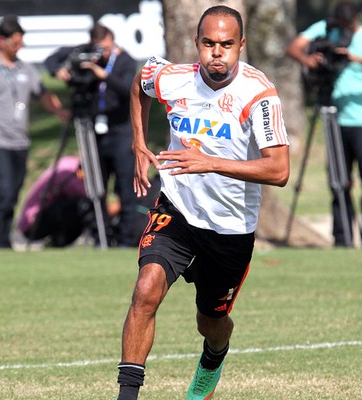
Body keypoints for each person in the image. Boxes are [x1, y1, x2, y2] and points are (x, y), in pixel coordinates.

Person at [114, 6, 290, 400]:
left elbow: (279, 170)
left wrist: (208, 162)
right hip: (176, 208)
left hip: (230, 229)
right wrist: (138, 144)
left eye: (226, 45)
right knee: (146, 289)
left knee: (211, 323)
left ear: (241, 45)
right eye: (208, 43)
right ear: (196, 43)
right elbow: (140, 83)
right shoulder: (174, 78)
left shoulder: (259, 95)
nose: (217, 52)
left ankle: (213, 357)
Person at [286, 1, 362, 248]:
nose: (344, 28)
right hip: (335, 116)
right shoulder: (326, 28)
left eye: (348, 25)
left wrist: (356, 58)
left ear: (357, 19)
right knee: (338, 180)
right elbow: (294, 47)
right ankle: (342, 238)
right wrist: (308, 59)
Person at [0, 15, 69, 250]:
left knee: (14, 192)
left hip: (20, 141)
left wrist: (60, 111)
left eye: (21, 43)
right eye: (14, 43)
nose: (18, 47)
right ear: (2, 41)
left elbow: (43, 93)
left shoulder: (25, 69)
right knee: (3, 190)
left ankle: (4, 240)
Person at [43, 24, 139, 247]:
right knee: (96, 187)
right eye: (97, 48)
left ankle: (127, 239)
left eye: (105, 49)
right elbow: (51, 60)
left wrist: (103, 75)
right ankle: (101, 236)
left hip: (120, 132)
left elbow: (128, 90)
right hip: (93, 130)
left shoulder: (124, 61)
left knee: (126, 187)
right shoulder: (83, 53)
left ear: (112, 43)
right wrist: (59, 70)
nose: (101, 54)